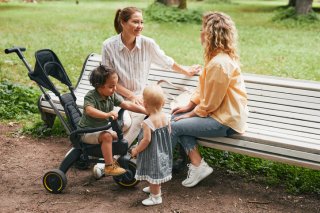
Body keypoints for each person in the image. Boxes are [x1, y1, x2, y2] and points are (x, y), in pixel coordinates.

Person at [94, 6, 200, 178]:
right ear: (123, 22)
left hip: (144, 97)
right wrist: (130, 96)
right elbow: (108, 81)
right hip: (118, 96)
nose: (140, 26)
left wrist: (187, 71)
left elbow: (167, 62)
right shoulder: (109, 46)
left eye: (142, 22)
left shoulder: (148, 44)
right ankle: (117, 158)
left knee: (149, 120)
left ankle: (116, 159)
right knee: (126, 123)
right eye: (135, 22)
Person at [171, 11, 249, 188]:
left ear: (210, 34)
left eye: (202, 29)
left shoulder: (220, 64)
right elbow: (203, 89)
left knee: (173, 126)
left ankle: (158, 170)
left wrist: (191, 114)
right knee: (177, 120)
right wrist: (188, 106)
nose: (200, 33)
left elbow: (211, 103)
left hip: (225, 121)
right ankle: (198, 165)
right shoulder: (216, 59)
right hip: (220, 115)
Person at [78, 65, 146, 176]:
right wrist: (106, 114)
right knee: (107, 136)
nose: (114, 89)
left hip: (99, 130)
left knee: (117, 135)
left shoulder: (111, 95)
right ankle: (109, 166)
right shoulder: (91, 96)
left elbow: (126, 104)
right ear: (99, 86)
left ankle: (111, 157)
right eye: (111, 86)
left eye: (115, 85)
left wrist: (145, 111)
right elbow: (89, 110)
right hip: (86, 132)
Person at [131, 85, 172, 206]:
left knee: (153, 169)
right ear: (163, 103)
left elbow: (146, 140)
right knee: (157, 170)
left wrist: (136, 150)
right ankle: (154, 187)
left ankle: (156, 197)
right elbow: (169, 130)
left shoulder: (147, 122)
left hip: (152, 152)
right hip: (162, 149)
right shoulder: (165, 117)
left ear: (144, 104)